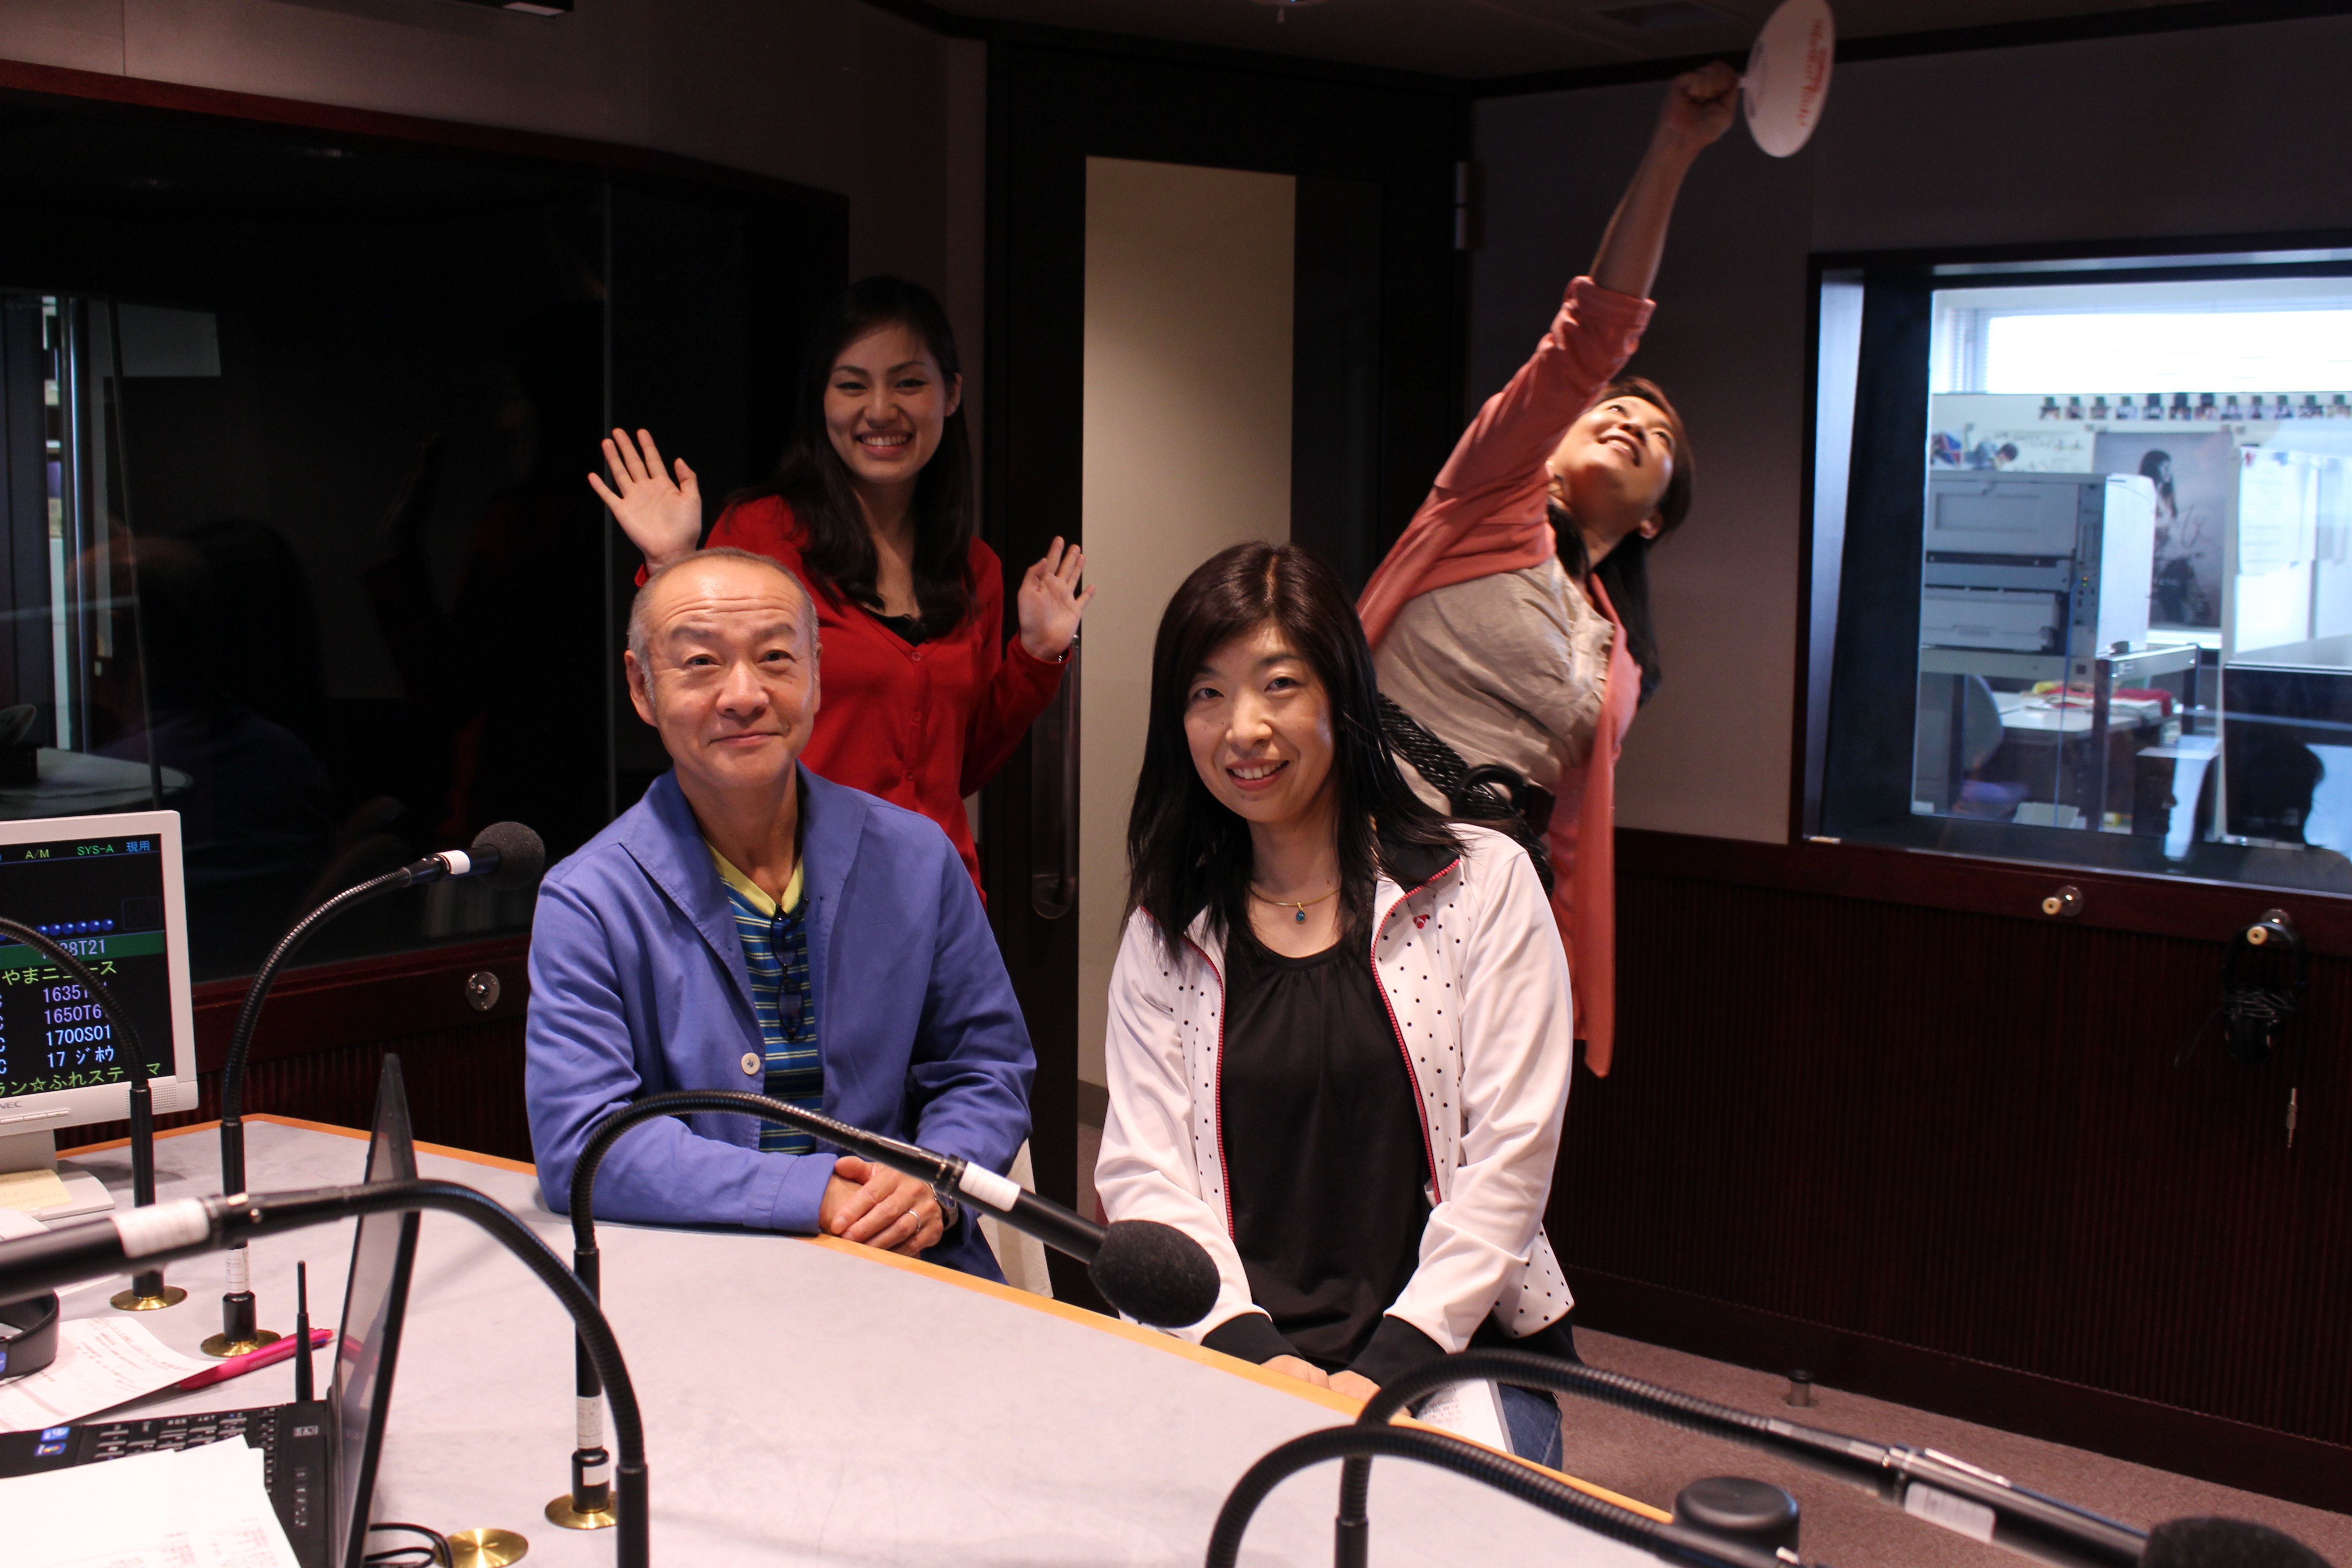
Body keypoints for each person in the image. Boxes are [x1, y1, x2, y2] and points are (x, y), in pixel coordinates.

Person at [1095, 542, 1578, 1463]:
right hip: (1233, 1346)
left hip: (1449, 1349)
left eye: (1279, 685)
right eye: (1206, 694)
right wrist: (1257, 1355)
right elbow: (1143, 1172)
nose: (1244, 728)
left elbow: (1512, 1153)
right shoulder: (1167, 928)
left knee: (1454, 1525)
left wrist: (1394, 1362)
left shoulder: (1479, 885)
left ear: (1342, 696)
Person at [1355, 64, 1737, 1078]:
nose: (1630, 419)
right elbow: (1589, 341)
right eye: (1615, 407)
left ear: (1655, 518)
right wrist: (1674, 151)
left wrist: (1560, 970)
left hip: (1479, 889)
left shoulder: (1619, 657)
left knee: (1454, 1130)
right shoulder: (1489, 498)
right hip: (1351, 844)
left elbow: (1571, 832)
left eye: (1658, 436)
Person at [524, 548, 1034, 1280]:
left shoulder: (918, 857)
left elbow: (985, 1067)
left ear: (816, 675)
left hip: (907, 1262)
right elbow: (586, 1141)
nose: (744, 694)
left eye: (774, 658)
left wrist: (934, 1181)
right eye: (701, 663)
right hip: (699, 1275)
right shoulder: (589, 899)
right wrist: (811, 1194)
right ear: (642, 686)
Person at [589, 277, 1093, 889]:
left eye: (909, 383)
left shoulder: (974, 568)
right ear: (821, 399)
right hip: (794, 893)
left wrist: (1038, 654)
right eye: (852, 385)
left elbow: (961, 765)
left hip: (939, 896)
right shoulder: (763, 534)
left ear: (952, 394)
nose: (880, 410)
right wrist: (671, 562)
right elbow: (697, 700)